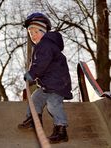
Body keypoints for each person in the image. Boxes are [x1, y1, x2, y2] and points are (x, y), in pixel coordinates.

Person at [18, 12, 73, 144]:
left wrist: (32, 74)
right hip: (47, 85)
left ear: (44, 31)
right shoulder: (42, 46)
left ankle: (61, 129)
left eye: (36, 32)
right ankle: (33, 119)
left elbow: (41, 64)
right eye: (30, 33)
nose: (33, 35)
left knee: (53, 105)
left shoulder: (46, 45)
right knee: (36, 98)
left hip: (57, 84)